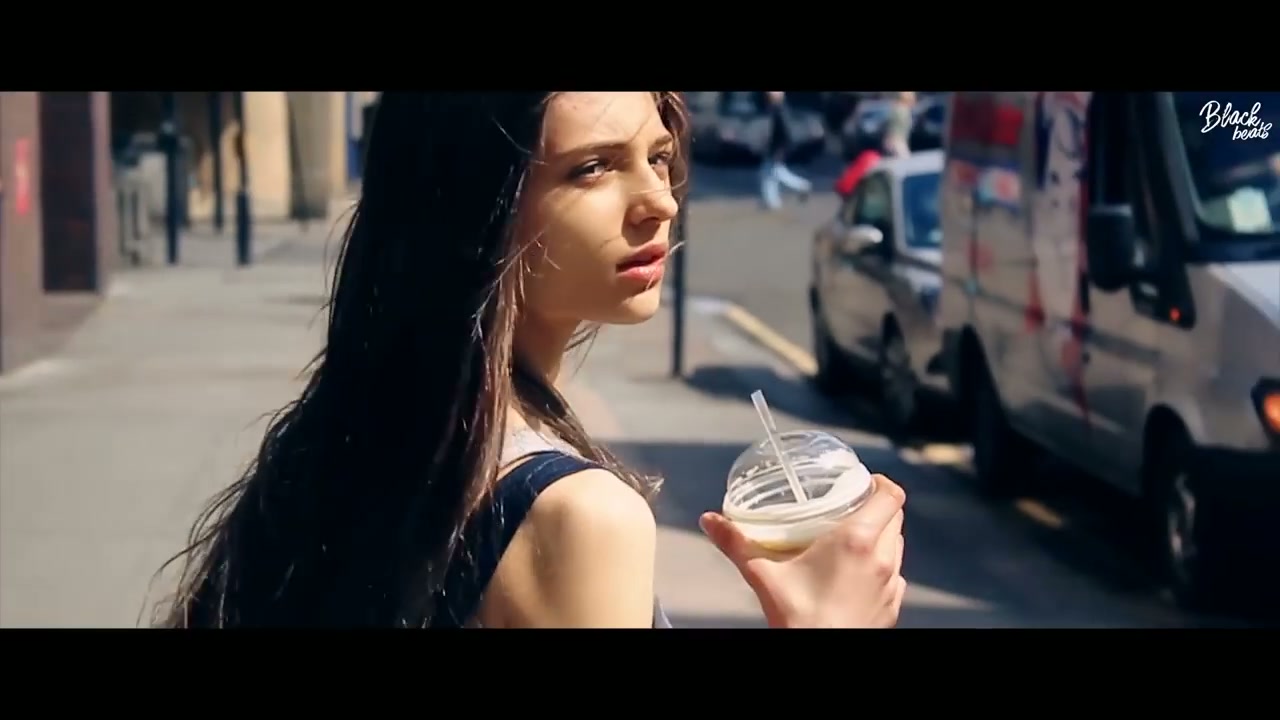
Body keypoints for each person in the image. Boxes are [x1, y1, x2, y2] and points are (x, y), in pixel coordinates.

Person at [155, 92, 908, 629]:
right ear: (475, 200)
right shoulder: (579, 518)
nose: (660, 201)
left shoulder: (346, 438)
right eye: (592, 168)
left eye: (658, 156)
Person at [759, 91, 813, 211]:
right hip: (776, 147)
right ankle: (772, 202)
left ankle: (800, 187)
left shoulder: (779, 110)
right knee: (772, 173)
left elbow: (784, 132)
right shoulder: (777, 109)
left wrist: (780, 149)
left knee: (773, 173)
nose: (768, 97)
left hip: (778, 147)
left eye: (771, 95)